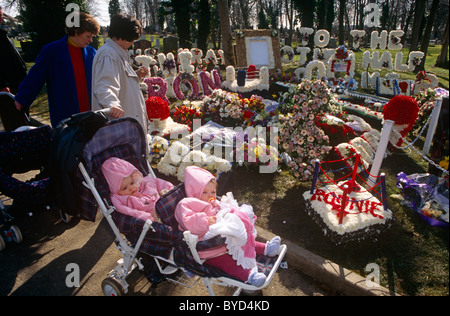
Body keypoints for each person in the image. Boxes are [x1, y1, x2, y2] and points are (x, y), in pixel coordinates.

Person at [175, 166, 281, 287]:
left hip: (223, 238)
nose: (210, 195)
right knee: (228, 263)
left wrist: (230, 210)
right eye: (204, 192)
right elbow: (188, 222)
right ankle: (250, 276)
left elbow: (221, 208)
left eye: (213, 192)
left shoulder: (212, 202)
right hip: (208, 248)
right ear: (194, 191)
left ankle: (267, 248)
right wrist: (205, 221)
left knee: (244, 240)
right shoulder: (186, 204)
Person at [13, 11, 100, 128]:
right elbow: (35, 77)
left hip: (90, 113)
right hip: (65, 113)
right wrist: (22, 99)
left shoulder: (92, 53)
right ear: (76, 32)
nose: (90, 41)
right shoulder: (52, 51)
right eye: (88, 36)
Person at [91, 13, 149, 133]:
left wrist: (136, 75)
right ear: (123, 36)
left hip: (127, 123)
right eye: (132, 39)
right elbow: (105, 84)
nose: (132, 43)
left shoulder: (116, 52)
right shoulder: (109, 54)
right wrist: (112, 104)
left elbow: (119, 80)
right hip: (121, 126)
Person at [101, 157, 174, 222]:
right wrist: (146, 217)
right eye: (124, 188)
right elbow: (129, 212)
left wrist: (168, 190)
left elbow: (160, 183)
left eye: (132, 183)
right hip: (155, 218)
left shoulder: (145, 182)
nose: (131, 188)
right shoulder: (119, 199)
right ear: (116, 191)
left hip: (166, 205)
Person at [0, 5, 27, 94]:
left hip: (17, 85)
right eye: (0, 16)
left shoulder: (2, 35)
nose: (2, 20)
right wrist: (2, 84)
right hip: (7, 90)